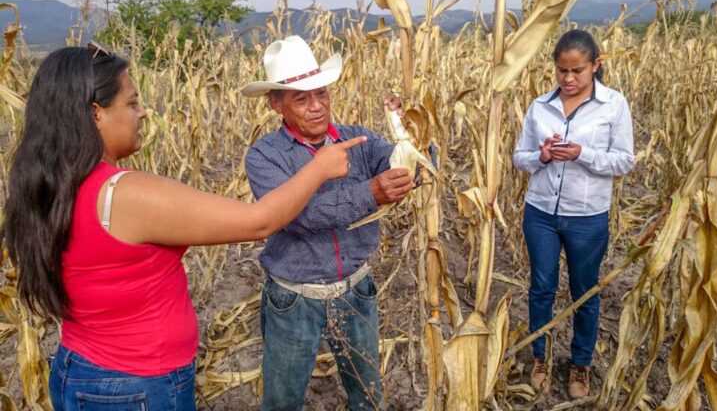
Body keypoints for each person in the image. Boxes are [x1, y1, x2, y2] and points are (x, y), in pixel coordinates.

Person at [1, 43, 366, 411]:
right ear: (96, 114)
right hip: (136, 386)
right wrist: (319, 167)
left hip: (78, 368)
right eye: (131, 103)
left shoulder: (51, 185)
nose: (142, 113)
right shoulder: (124, 194)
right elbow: (261, 221)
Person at [242, 36, 413, 410]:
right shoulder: (264, 157)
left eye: (321, 94)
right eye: (301, 99)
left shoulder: (359, 140)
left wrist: (408, 128)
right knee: (282, 401)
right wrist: (371, 193)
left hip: (356, 290)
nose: (317, 107)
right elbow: (301, 217)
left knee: (367, 396)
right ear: (275, 104)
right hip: (294, 298)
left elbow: (406, 160)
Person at [512, 29, 635, 399]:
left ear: (595, 66)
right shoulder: (539, 106)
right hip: (541, 213)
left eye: (577, 71)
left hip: (587, 216)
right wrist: (543, 156)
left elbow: (625, 161)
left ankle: (580, 364)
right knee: (541, 288)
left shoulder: (613, 105)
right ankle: (541, 356)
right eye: (561, 71)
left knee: (585, 292)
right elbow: (520, 157)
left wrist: (582, 153)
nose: (568, 79)